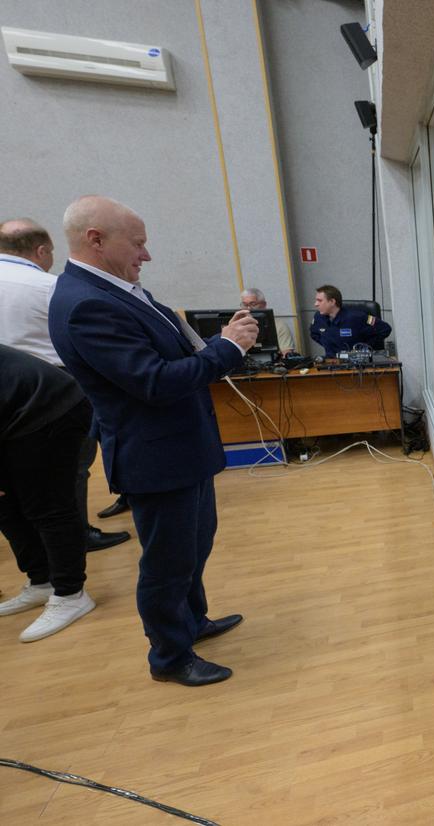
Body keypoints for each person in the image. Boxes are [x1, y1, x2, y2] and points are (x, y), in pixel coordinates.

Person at [48, 195, 256, 686]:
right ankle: (169, 657)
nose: (146, 255)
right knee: (167, 563)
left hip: (182, 448)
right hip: (155, 456)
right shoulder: (87, 305)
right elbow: (154, 382)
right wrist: (228, 349)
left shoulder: (118, 290)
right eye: (138, 243)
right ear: (96, 240)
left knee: (194, 547)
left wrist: (218, 341)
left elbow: (173, 351)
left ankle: (192, 622)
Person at [0, 217, 132, 551]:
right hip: (54, 392)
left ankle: (34, 541)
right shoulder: (50, 287)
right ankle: (77, 534)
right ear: (41, 251)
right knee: (73, 466)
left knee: (13, 471)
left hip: (6, 394)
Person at [0, 344, 97, 641]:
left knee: (48, 506)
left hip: (47, 407)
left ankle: (70, 593)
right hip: (11, 414)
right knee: (6, 507)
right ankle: (42, 581)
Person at [310, 284, 392, 357]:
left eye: (319, 301)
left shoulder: (356, 317)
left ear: (332, 301)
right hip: (331, 362)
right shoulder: (318, 317)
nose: (316, 304)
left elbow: (385, 329)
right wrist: (330, 346)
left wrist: (365, 347)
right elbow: (314, 334)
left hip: (356, 362)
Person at [240, 287, 298, 354]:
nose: (248, 308)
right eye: (244, 305)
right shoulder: (237, 327)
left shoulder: (279, 325)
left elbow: (287, 352)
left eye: (253, 304)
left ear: (264, 305)